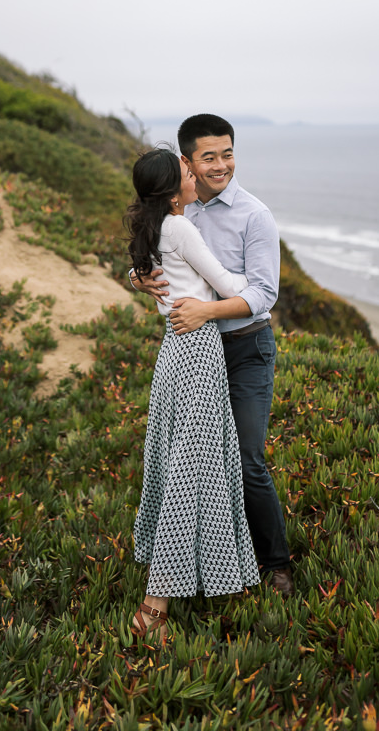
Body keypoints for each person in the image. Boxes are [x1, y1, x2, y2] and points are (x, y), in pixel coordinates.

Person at [131, 113, 293, 597]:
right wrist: (140, 280)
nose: (221, 165)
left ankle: (276, 563)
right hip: (196, 354)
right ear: (187, 163)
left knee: (245, 459)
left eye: (227, 153)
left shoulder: (254, 215)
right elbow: (160, 264)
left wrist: (206, 311)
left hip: (245, 348)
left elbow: (264, 295)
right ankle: (213, 561)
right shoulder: (179, 213)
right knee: (203, 460)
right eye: (209, 157)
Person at [126, 147, 260, 641]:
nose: (195, 173)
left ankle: (200, 575)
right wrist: (256, 277)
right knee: (193, 469)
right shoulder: (181, 228)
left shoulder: (153, 229)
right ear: (173, 188)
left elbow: (149, 275)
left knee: (184, 463)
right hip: (199, 350)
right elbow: (228, 285)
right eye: (187, 170)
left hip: (173, 351)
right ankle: (153, 607)